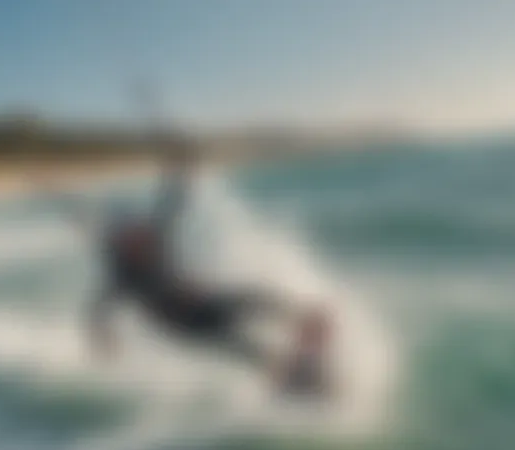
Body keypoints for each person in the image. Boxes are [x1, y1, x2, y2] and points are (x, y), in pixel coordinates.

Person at [88, 140, 333, 394]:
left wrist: (180, 169)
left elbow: (171, 202)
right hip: (186, 325)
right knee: (247, 347)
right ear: (120, 242)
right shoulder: (125, 275)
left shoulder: (152, 235)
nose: (139, 237)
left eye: (137, 231)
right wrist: (104, 338)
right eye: (129, 237)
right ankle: (294, 381)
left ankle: (307, 326)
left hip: (202, 300)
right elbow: (101, 309)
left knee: (255, 298)